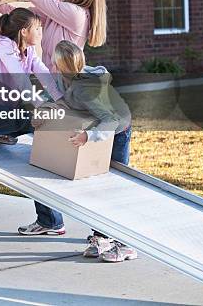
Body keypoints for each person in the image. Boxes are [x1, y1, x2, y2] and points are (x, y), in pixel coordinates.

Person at [0, 0, 107, 236]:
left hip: (60, 93)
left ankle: (50, 219)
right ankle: (49, 221)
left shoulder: (76, 14)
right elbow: (31, 12)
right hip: (49, 87)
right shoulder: (62, 11)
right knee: (42, 152)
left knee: (43, 151)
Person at [50, 41, 137, 263]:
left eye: (54, 60)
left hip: (117, 131)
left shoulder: (85, 88)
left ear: (62, 65)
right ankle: (101, 237)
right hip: (101, 126)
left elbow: (111, 120)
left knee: (112, 189)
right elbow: (69, 100)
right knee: (97, 187)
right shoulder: (71, 77)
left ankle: (127, 244)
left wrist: (88, 136)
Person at [0, 8, 63, 150]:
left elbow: (43, 73)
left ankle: (0, 131)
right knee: (26, 119)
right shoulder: (6, 50)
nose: (40, 32)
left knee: (33, 122)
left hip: (6, 106)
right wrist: (41, 106)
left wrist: (60, 99)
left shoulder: (29, 50)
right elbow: (22, 81)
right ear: (24, 32)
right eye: (37, 28)